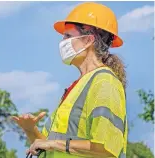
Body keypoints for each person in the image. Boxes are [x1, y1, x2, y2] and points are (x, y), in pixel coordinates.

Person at [12, 2, 128, 158]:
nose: (62, 42)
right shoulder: (78, 86)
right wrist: (30, 129)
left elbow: (106, 147)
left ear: (88, 40)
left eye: (68, 36)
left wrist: (52, 143)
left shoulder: (105, 83)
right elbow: (47, 148)